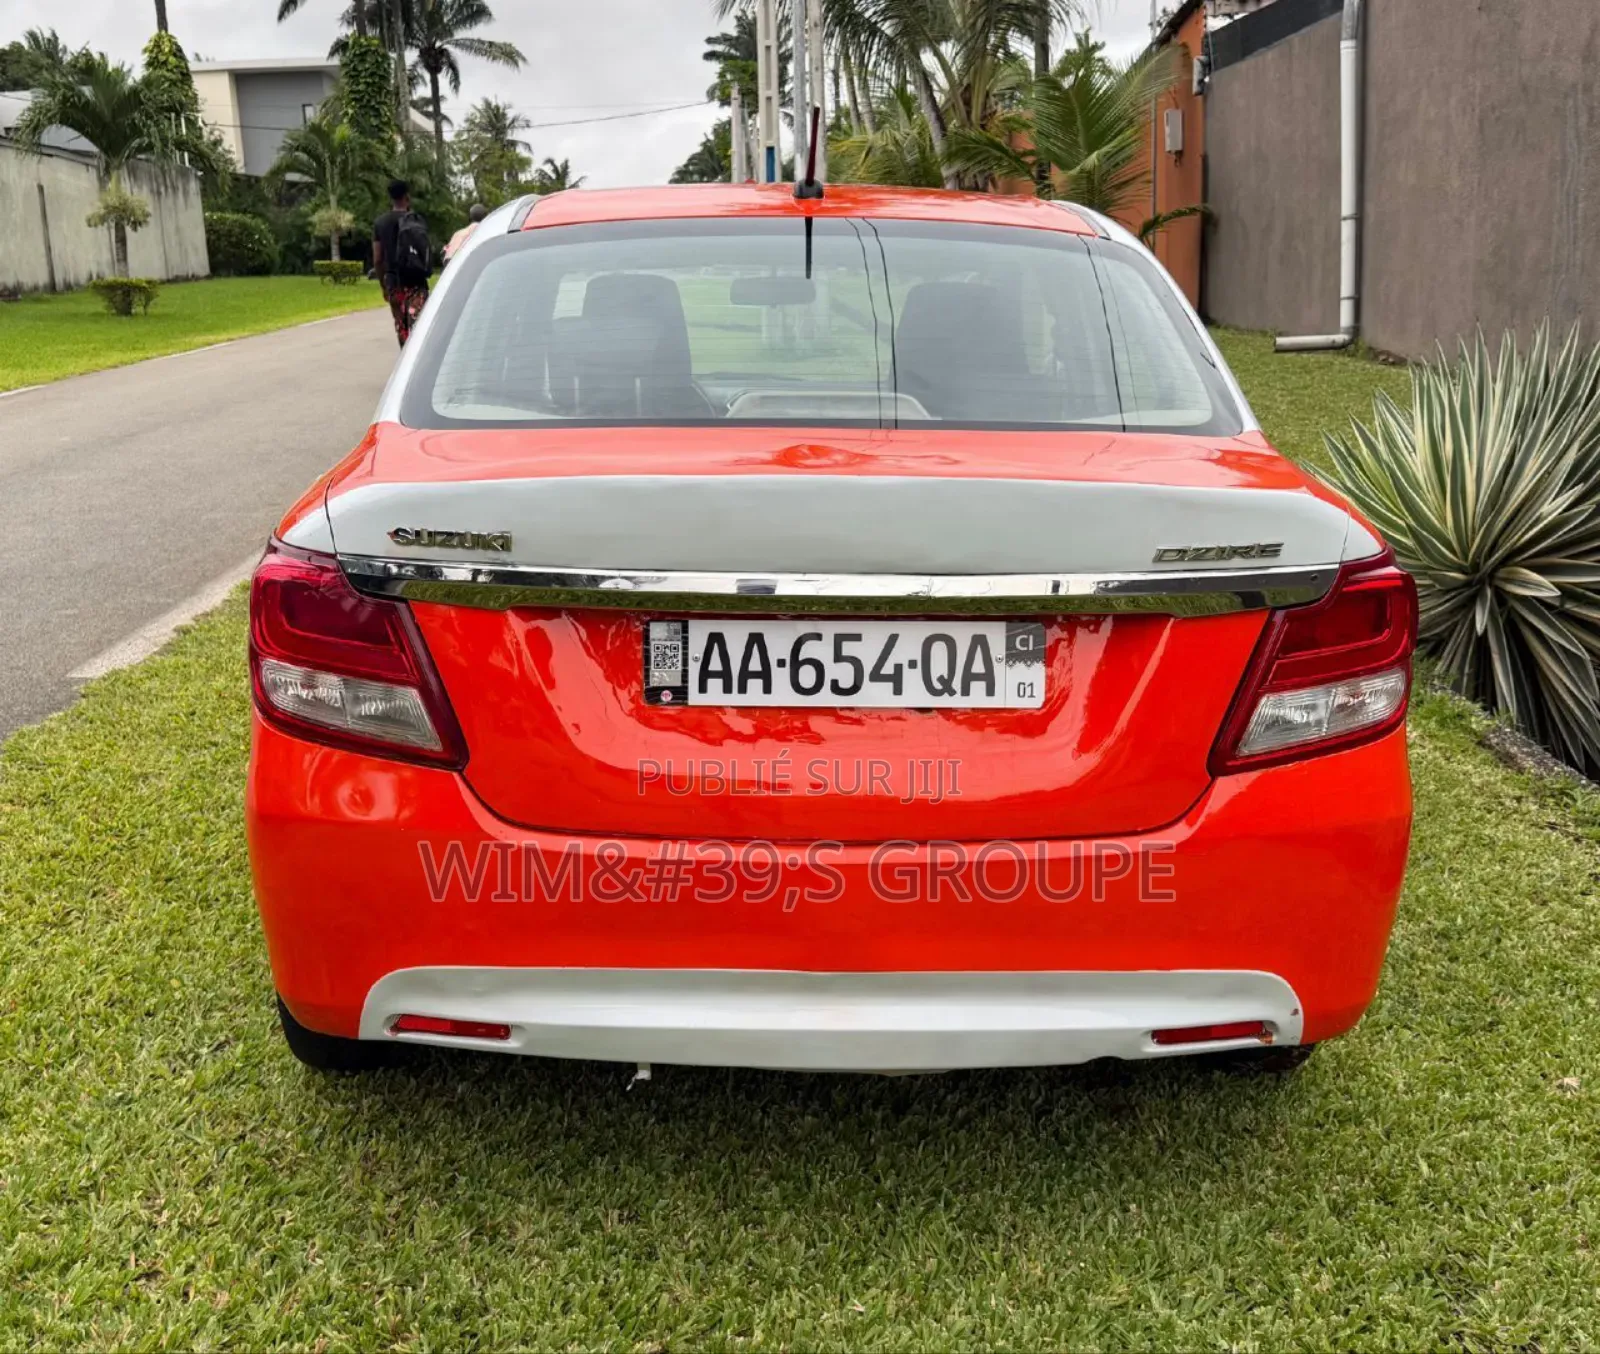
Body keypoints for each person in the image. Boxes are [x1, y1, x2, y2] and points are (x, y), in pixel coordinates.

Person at [372, 179, 430, 347]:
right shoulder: (417, 220)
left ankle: (406, 365)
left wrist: (383, 285)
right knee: (419, 329)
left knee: (402, 328)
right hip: (416, 283)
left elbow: (377, 259)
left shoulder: (380, 223)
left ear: (391, 198)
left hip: (394, 284)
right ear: (407, 197)